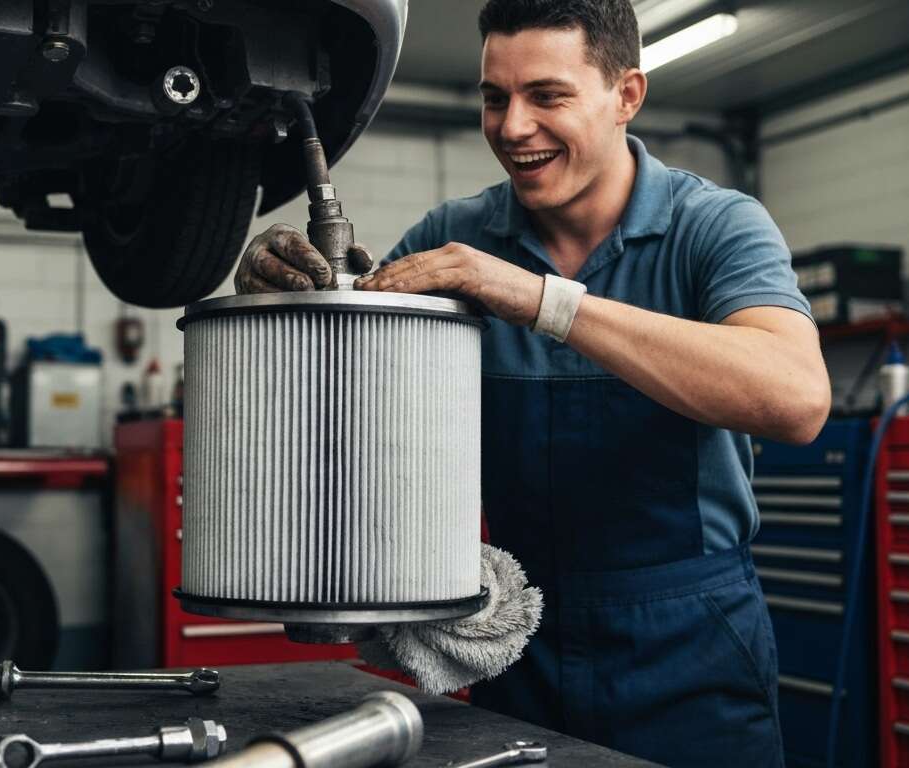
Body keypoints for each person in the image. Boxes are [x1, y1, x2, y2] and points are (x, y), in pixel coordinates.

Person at [232, 0, 829, 764]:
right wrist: (280, 301)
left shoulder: (714, 228)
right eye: (494, 98)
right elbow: (345, 404)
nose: (513, 127)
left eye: (547, 96)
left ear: (627, 97)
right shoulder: (457, 239)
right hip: (516, 638)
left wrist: (541, 299)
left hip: (691, 645)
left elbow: (796, 398)